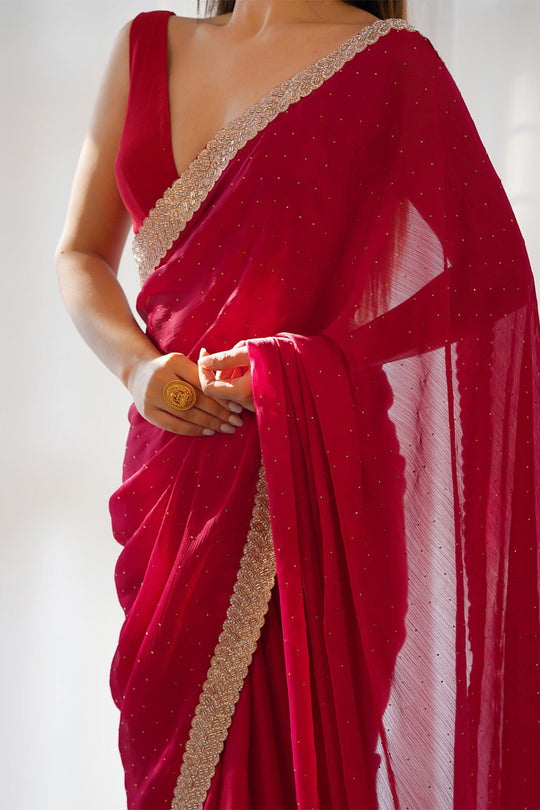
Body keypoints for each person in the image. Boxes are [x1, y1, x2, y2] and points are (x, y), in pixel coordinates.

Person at [55, 0, 540, 807]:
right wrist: (141, 375)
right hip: (172, 479)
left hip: (316, 489)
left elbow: (491, 281)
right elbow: (80, 254)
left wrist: (305, 367)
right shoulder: (146, 46)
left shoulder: (391, 66)